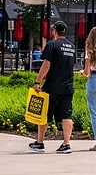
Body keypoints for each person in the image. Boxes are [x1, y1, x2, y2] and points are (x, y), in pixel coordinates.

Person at [29, 20, 76, 154]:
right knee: (66, 115)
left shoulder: (52, 45)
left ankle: (40, 143)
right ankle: (66, 144)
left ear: (55, 31)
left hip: (52, 87)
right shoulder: (71, 47)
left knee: (44, 115)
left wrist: (38, 81)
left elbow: (46, 65)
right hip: (67, 87)